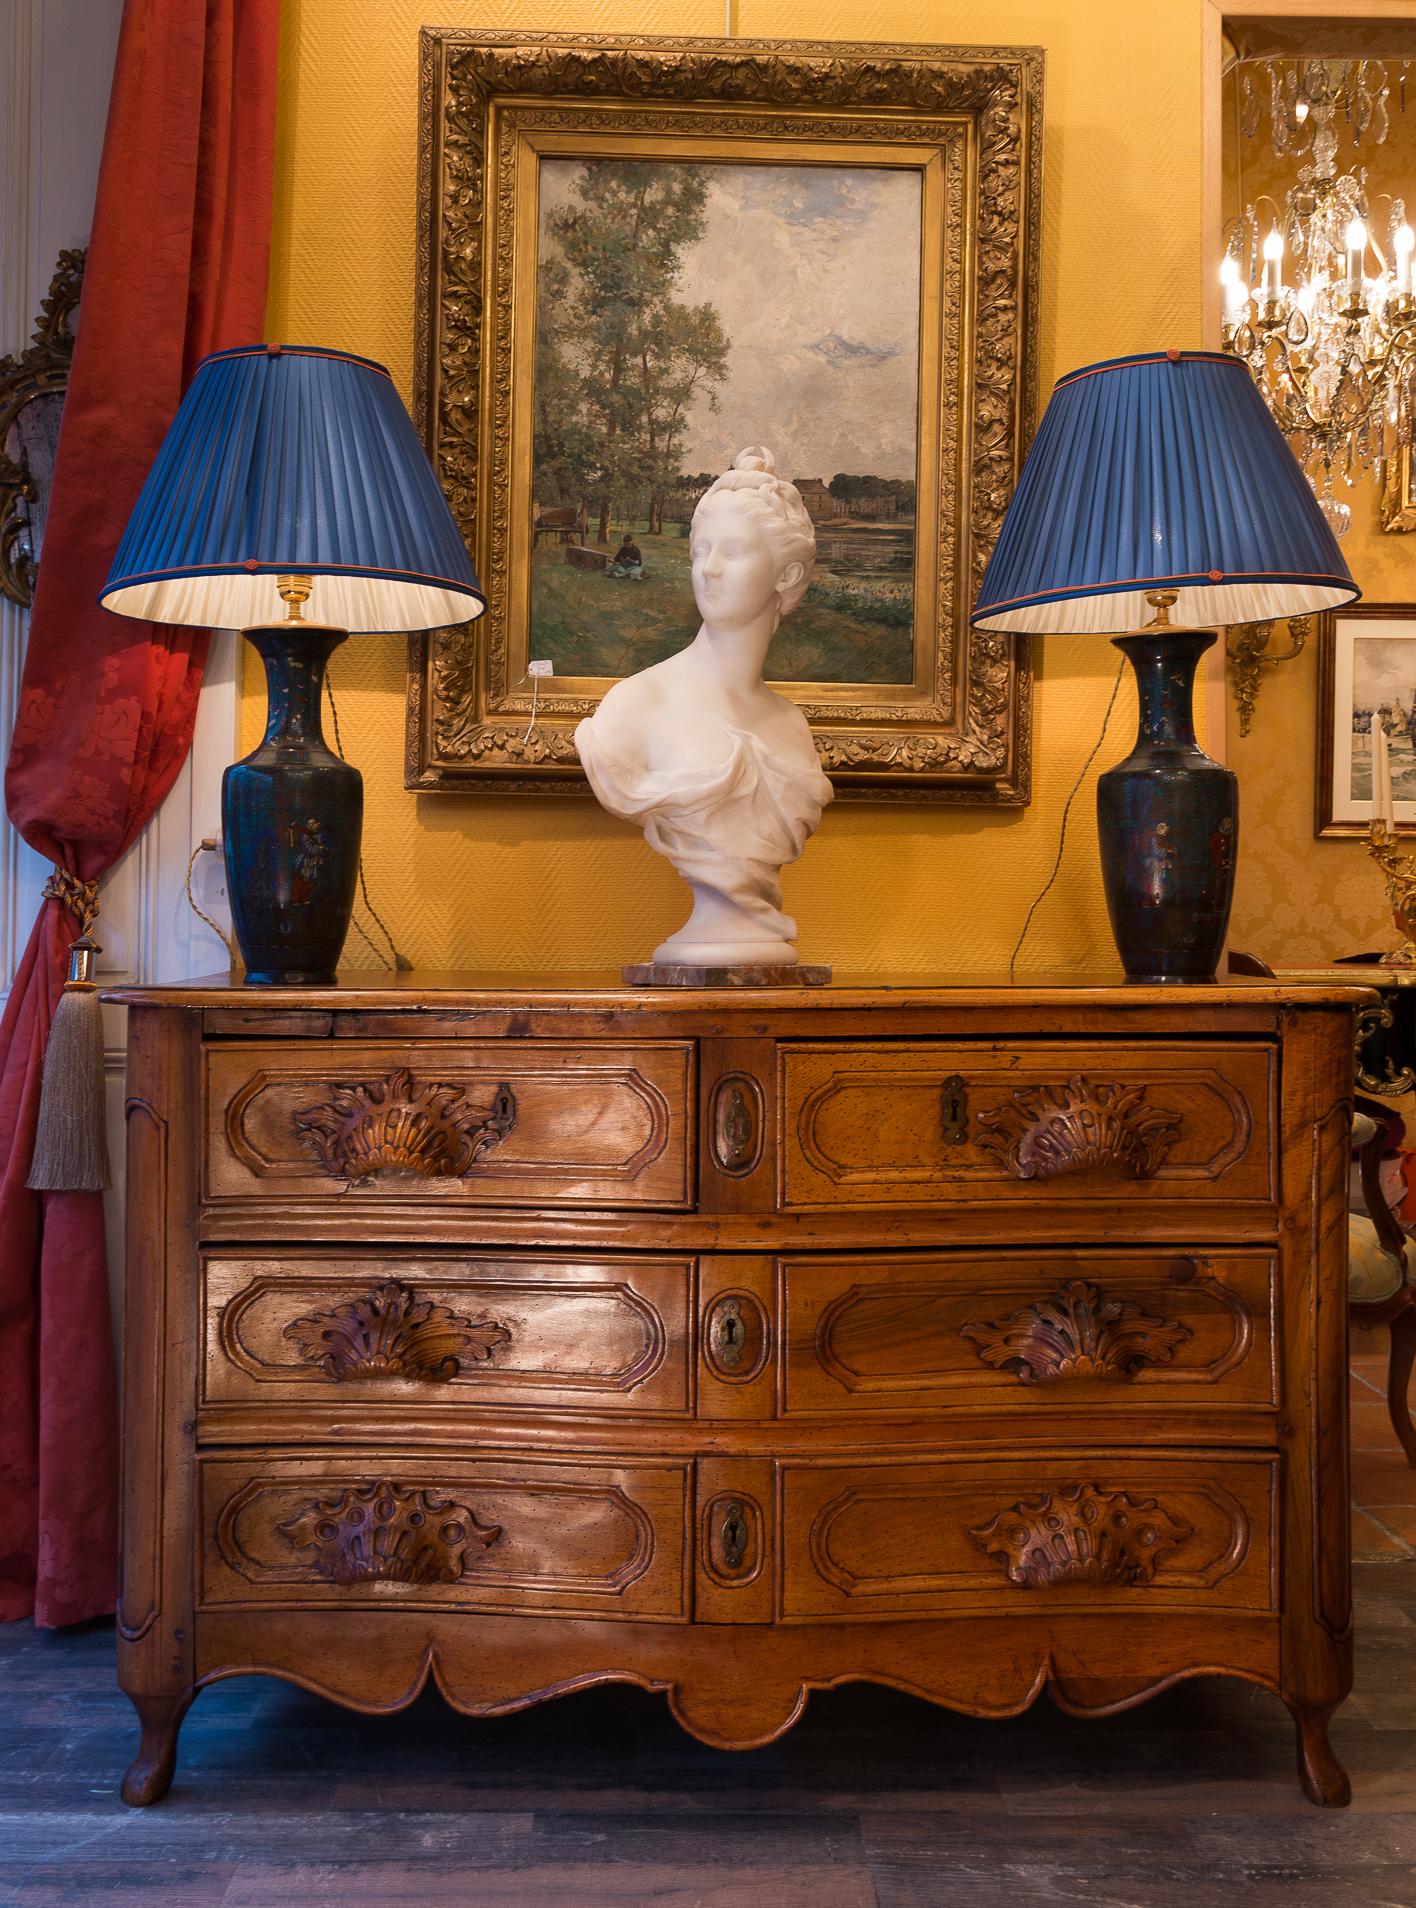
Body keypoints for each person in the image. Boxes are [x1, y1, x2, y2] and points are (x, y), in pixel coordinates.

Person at [575, 448, 832, 967]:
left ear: (786, 575)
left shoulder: (791, 726)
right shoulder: (636, 705)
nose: (707, 569)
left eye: (732, 551)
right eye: (699, 551)